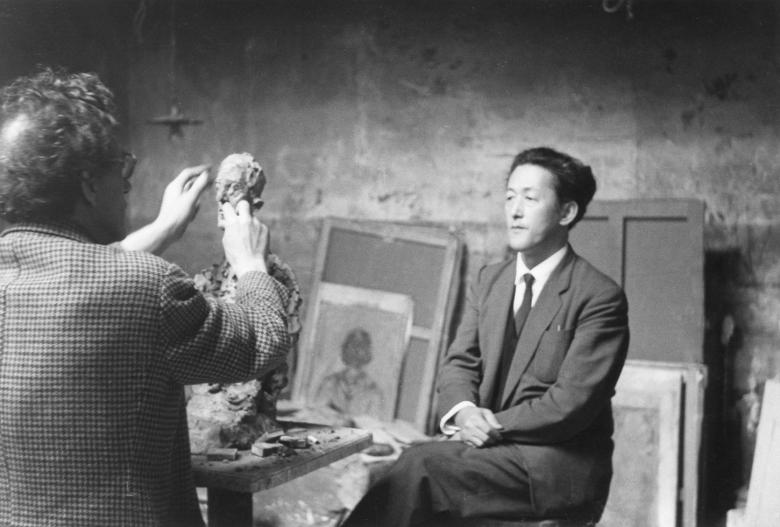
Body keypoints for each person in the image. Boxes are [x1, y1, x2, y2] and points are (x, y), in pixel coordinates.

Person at [0, 67, 289, 526]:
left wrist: (163, 228)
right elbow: (262, 339)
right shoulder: (145, 287)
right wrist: (251, 263)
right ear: (90, 184)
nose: (129, 182)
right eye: (122, 167)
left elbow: (66, 273)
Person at [342, 147, 630, 526]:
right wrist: (463, 412)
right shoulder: (490, 280)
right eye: (510, 196)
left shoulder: (598, 296)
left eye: (530, 198)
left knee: (420, 467)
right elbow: (461, 362)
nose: (514, 210)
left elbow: (569, 405)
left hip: (554, 466)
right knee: (414, 471)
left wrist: (486, 426)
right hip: (493, 452)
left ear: (566, 212)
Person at [315, 327, 385, 417]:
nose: (356, 350)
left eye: (361, 346)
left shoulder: (374, 391)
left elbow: (373, 423)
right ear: (344, 349)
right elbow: (317, 413)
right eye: (352, 345)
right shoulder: (329, 383)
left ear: (368, 352)